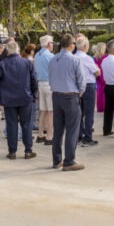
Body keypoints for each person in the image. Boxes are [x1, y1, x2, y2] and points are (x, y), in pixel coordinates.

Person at [0, 41, 39, 160]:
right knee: (26, 124)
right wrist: (33, 94)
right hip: (25, 97)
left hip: (9, 98)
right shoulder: (27, 63)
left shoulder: (3, 64)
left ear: (7, 51)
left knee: (12, 124)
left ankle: (12, 151)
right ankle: (28, 150)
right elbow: (34, 80)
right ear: (18, 50)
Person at [48, 34, 86, 171]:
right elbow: (82, 81)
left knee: (58, 129)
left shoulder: (53, 60)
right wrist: (79, 93)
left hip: (56, 96)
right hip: (70, 96)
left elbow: (50, 79)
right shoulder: (75, 60)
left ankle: (56, 160)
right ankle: (69, 161)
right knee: (72, 129)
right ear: (71, 45)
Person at [74, 37, 101, 146]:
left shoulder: (73, 57)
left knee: (79, 112)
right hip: (88, 85)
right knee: (89, 113)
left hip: (76, 86)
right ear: (85, 47)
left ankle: (79, 135)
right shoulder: (87, 58)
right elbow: (97, 72)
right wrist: (97, 69)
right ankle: (88, 137)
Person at [34, 36, 55, 146]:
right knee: (51, 112)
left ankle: (40, 134)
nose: (53, 45)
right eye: (52, 43)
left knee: (43, 111)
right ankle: (49, 136)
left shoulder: (37, 55)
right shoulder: (50, 56)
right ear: (48, 44)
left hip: (40, 83)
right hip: (49, 84)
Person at [93, 42, 107, 116]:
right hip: (104, 75)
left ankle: (100, 107)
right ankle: (105, 107)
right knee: (104, 92)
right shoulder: (105, 57)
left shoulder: (95, 58)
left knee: (99, 91)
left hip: (98, 75)